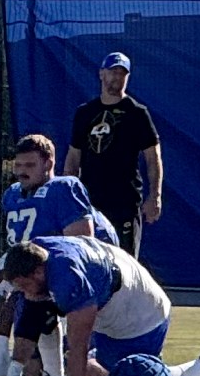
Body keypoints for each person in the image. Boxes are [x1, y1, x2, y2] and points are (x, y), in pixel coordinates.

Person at [2, 235, 200, 376]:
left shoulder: (68, 277)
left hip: (138, 313)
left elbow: (79, 344)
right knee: (34, 306)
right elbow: (31, 317)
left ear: (39, 272)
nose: (22, 291)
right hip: (107, 299)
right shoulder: (37, 253)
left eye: (23, 284)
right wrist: (15, 371)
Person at [0, 133, 119, 376]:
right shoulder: (13, 195)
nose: (21, 172)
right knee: (12, 278)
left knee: (95, 364)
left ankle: (118, 371)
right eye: (18, 166)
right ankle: (49, 375)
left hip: (94, 272)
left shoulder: (63, 188)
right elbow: (20, 256)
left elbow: (81, 244)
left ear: (49, 163)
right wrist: (3, 290)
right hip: (47, 265)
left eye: (30, 165)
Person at [66, 52, 163, 256]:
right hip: (90, 201)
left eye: (122, 73)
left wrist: (155, 196)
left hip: (124, 201)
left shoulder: (137, 113)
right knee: (90, 256)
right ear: (102, 74)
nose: (116, 77)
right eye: (112, 71)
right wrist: (68, 196)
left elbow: (153, 159)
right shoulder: (85, 113)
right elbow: (73, 158)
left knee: (124, 260)